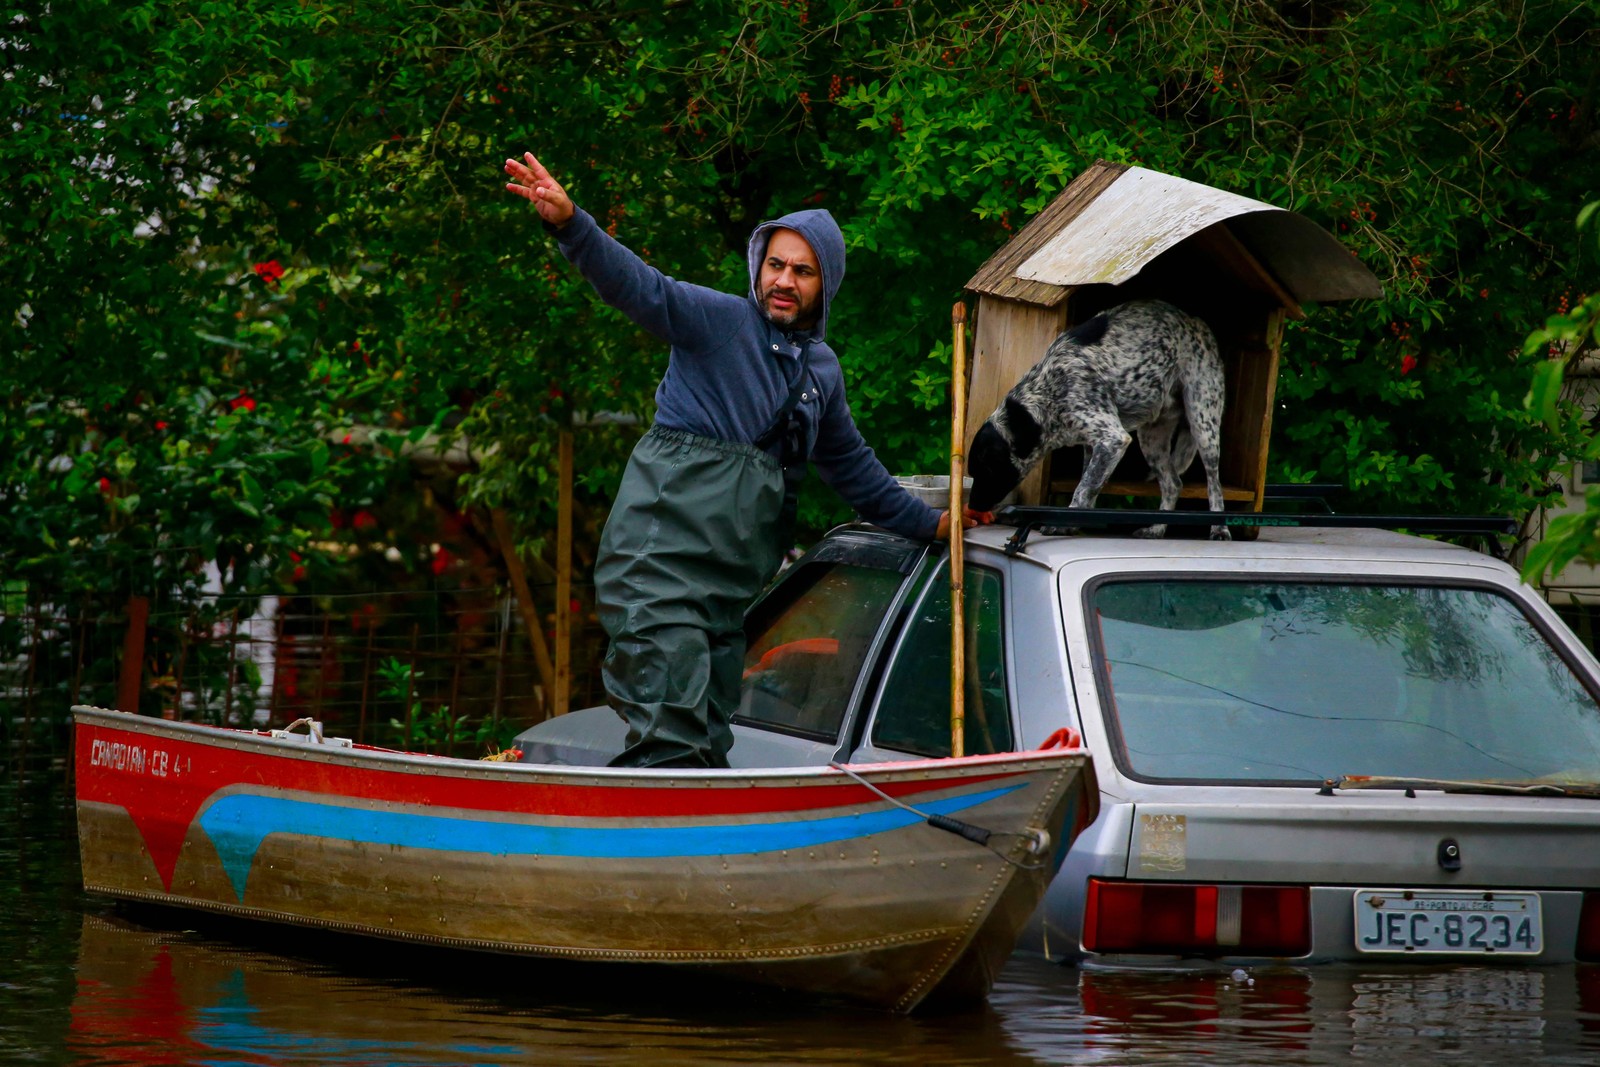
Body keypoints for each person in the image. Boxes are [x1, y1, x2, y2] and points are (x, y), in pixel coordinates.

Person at [504, 151, 980, 769]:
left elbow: (853, 468)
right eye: (776, 265)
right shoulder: (719, 321)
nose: (784, 281)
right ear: (759, 267)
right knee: (669, 739)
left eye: (802, 271)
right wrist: (572, 225)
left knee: (705, 741)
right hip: (659, 573)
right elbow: (638, 286)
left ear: (823, 284)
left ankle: (700, 856)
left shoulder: (820, 372)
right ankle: (642, 851)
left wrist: (934, 523)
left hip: (726, 594)